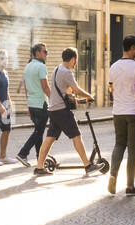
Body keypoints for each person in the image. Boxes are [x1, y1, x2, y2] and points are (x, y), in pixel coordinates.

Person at [34, 47, 104, 177]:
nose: (75, 63)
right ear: (73, 59)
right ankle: (88, 165)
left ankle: (39, 167)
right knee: (76, 136)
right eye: (75, 60)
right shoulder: (66, 72)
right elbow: (76, 89)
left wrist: (78, 100)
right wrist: (89, 95)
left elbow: (64, 92)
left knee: (49, 138)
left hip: (53, 109)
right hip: (62, 111)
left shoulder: (56, 69)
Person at [107, 35, 135, 196]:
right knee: (133, 149)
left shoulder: (113, 67)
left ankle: (113, 175)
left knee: (119, 144)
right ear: (134, 47)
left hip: (118, 111)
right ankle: (130, 186)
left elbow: (112, 90)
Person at [15, 43, 51, 166]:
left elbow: (26, 88)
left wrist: (28, 104)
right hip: (41, 103)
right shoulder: (41, 67)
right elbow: (45, 86)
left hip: (32, 104)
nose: (47, 54)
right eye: (45, 51)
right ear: (37, 53)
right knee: (38, 132)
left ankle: (39, 159)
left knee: (38, 132)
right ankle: (23, 153)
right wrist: (54, 99)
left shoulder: (28, 67)